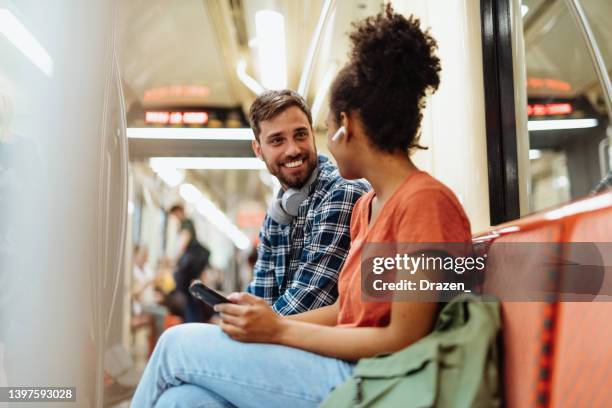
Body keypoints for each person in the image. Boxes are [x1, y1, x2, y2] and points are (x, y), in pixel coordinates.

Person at [131, 6, 472, 407]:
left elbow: (404, 339)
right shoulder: (368, 207)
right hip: (349, 365)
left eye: (319, 129)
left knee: (175, 345)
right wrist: (267, 323)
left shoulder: (425, 205)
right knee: (184, 401)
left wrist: (277, 331)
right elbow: (348, 310)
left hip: (380, 379)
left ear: (347, 127)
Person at [246, 89, 368, 315]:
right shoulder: (277, 215)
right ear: (258, 149)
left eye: (300, 135)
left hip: (321, 345)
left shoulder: (341, 193)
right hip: (284, 339)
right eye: (277, 140)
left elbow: (306, 304)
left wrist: (252, 325)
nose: (293, 149)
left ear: (312, 134)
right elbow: (259, 298)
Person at [168, 204, 211, 323]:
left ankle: (191, 321)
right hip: (195, 265)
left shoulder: (185, 223)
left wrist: (175, 259)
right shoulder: (189, 222)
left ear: (179, 212)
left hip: (190, 264)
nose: (175, 218)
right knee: (192, 295)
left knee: (185, 292)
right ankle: (194, 321)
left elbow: (184, 240)